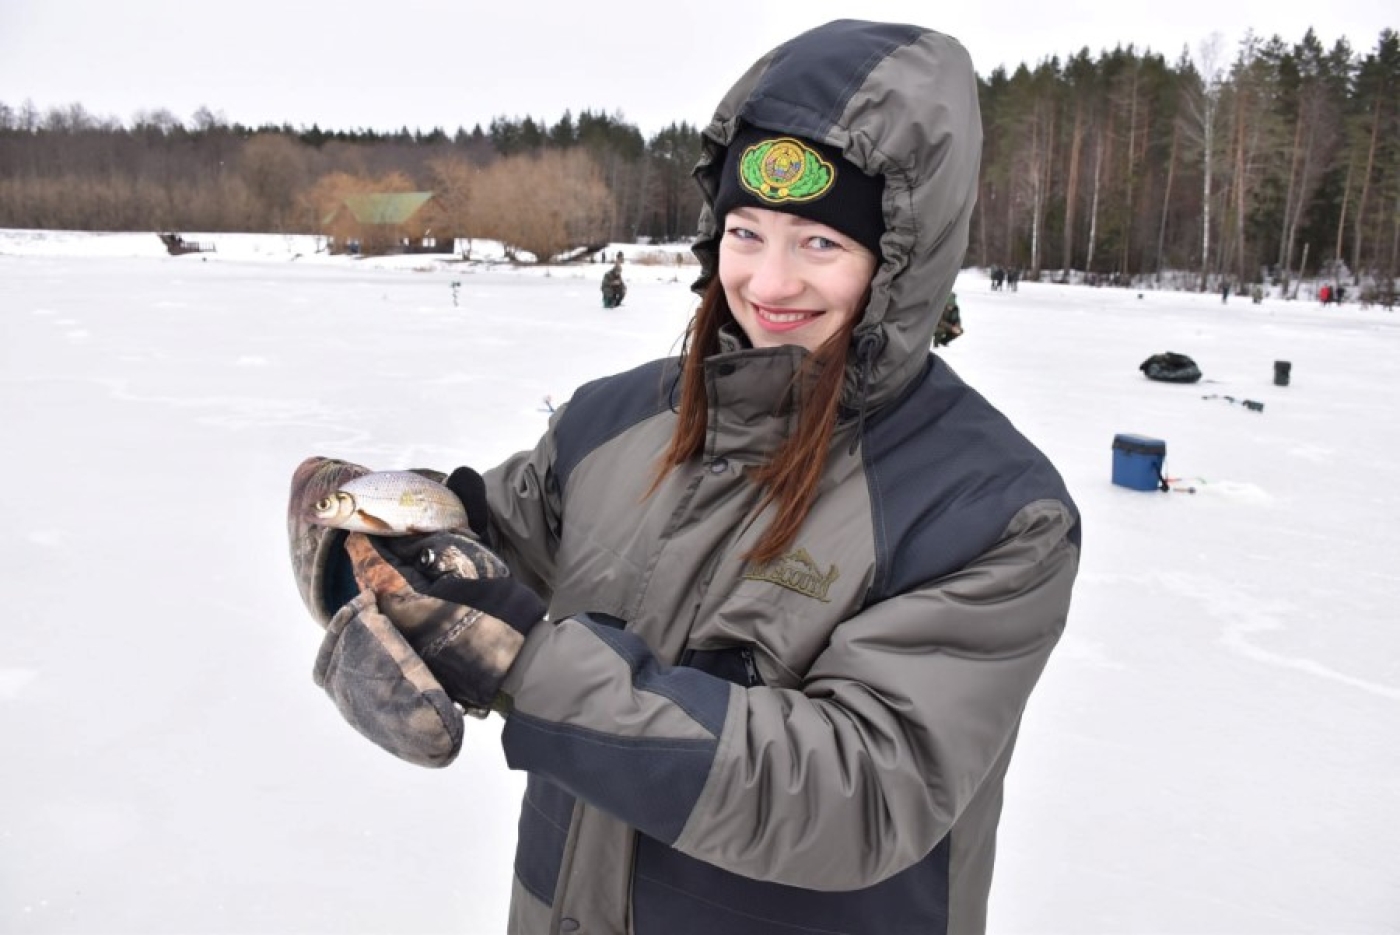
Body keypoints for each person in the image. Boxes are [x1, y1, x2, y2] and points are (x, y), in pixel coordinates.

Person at [288, 19, 1080, 934]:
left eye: (819, 242)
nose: (769, 280)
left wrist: (532, 667)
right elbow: (481, 538)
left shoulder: (989, 510)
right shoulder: (617, 422)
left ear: (901, 259)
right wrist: (372, 532)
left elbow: (860, 790)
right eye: (747, 231)